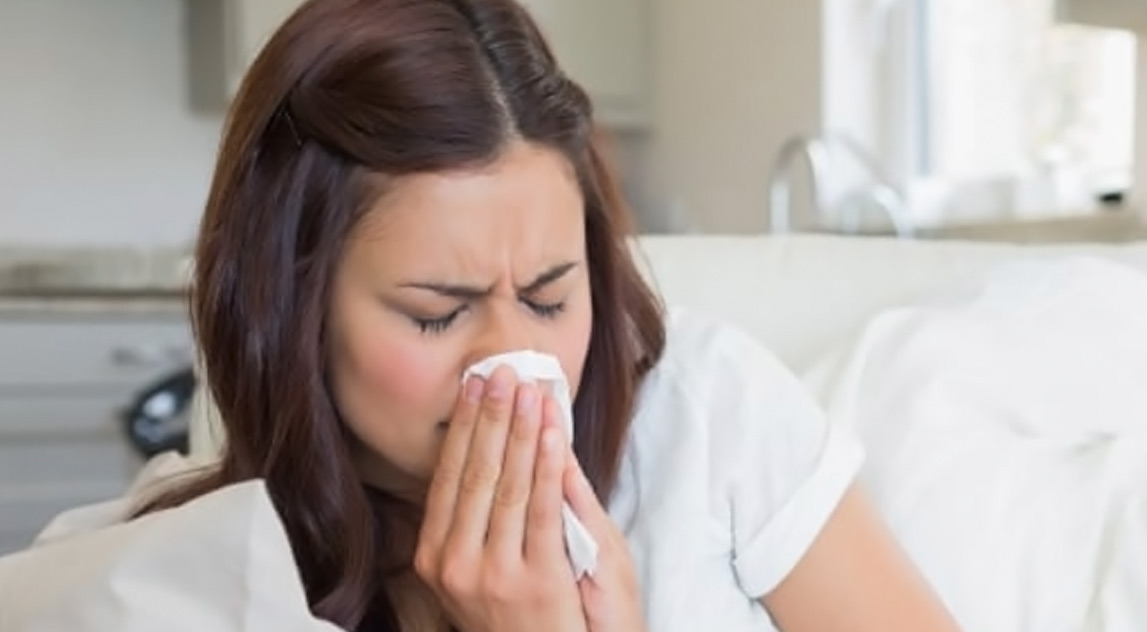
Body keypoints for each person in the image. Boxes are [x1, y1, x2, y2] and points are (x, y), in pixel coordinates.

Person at [138, 0, 963, 630]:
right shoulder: (204, 572)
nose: (515, 360)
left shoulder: (710, 416)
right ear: (291, 307)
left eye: (548, 298)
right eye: (437, 314)